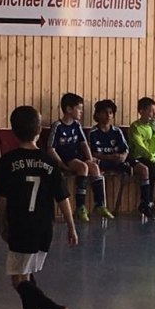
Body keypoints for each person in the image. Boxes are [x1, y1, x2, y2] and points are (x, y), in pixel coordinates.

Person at [0, 105, 78, 309]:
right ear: (39, 130)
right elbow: (62, 197)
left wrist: (2, 224)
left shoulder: (7, 161)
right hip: (44, 227)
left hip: (22, 225)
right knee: (27, 273)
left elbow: (2, 199)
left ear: (13, 131)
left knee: (18, 279)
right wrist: (71, 226)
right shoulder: (49, 161)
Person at [47, 92, 110, 221]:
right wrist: (61, 164)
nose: (81, 112)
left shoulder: (76, 125)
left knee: (94, 167)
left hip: (77, 157)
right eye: (79, 109)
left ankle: (100, 204)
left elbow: (84, 144)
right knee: (83, 167)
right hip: (65, 159)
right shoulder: (58, 126)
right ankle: (80, 206)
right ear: (69, 109)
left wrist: (90, 159)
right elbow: (50, 149)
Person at [128, 96, 155, 219]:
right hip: (138, 157)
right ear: (141, 111)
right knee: (151, 169)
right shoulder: (135, 127)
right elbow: (141, 148)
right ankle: (147, 202)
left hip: (152, 156)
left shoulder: (152, 126)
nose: (154, 114)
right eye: (151, 111)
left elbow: (153, 149)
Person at [87, 98, 132, 176]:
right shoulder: (93, 133)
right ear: (97, 114)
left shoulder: (117, 131)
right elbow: (93, 153)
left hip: (117, 161)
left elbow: (125, 149)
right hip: (102, 161)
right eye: (104, 112)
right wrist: (110, 157)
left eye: (110, 112)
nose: (108, 115)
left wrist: (123, 156)